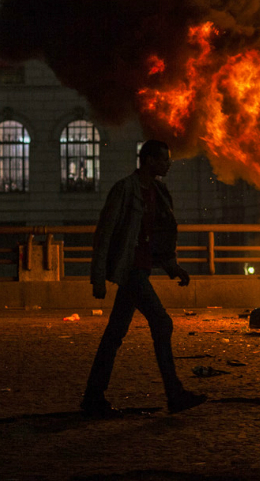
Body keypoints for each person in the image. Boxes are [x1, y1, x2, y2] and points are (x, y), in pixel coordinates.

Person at [80, 140, 206, 417]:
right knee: (162, 323)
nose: (169, 164)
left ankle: (92, 396)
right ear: (148, 160)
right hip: (131, 271)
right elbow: (105, 234)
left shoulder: (159, 192)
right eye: (164, 159)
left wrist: (173, 268)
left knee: (114, 335)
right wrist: (98, 278)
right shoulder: (125, 190)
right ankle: (174, 393)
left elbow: (160, 237)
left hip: (139, 270)